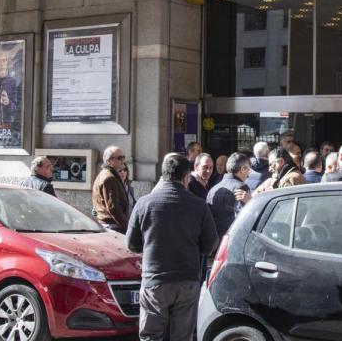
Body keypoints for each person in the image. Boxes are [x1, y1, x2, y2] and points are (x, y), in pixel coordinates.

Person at [126, 153, 218, 341]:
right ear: (186, 178)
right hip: (187, 279)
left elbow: (132, 244)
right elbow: (211, 243)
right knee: (182, 336)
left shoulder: (144, 203)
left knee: (151, 336)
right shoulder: (198, 205)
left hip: (155, 278)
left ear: (164, 175)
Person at [206, 152, 252, 238]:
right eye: (248, 170)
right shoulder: (241, 187)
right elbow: (246, 218)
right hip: (233, 238)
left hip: (215, 239)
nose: (249, 174)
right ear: (242, 169)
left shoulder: (213, 189)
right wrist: (251, 201)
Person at [93, 145, 130, 232]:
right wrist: (128, 226)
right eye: (119, 158)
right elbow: (113, 207)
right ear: (109, 161)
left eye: (123, 157)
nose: (122, 160)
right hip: (113, 225)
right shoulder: (109, 177)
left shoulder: (106, 174)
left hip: (111, 224)